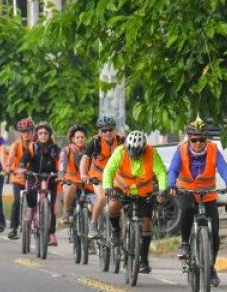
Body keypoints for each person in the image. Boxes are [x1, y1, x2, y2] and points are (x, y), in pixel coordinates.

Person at [167, 118, 227, 287]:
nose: (198, 143)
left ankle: (210, 268)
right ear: (188, 138)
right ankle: (185, 243)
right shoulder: (181, 150)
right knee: (186, 210)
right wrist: (171, 184)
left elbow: (223, 167)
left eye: (201, 139)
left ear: (206, 138)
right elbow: (173, 169)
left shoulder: (213, 149)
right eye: (194, 139)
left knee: (215, 235)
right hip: (186, 192)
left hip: (208, 195)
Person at [104, 130, 168, 273]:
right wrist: (108, 187)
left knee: (146, 223)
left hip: (143, 193)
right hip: (122, 190)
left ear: (143, 149)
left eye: (137, 153)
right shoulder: (120, 152)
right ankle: (115, 231)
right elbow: (109, 170)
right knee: (112, 206)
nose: (134, 156)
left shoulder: (151, 153)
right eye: (131, 152)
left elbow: (161, 172)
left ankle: (143, 259)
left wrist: (163, 190)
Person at [79, 115, 124, 237]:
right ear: (99, 131)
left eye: (110, 129)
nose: (107, 133)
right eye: (104, 130)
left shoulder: (121, 141)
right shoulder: (95, 142)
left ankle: (121, 231)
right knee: (102, 197)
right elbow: (84, 158)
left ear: (114, 130)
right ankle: (93, 224)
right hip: (97, 175)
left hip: (116, 176)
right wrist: (83, 173)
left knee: (123, 199)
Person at [18, 122, 60, 246]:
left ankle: (51, 234)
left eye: (45, 133)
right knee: (29, 192)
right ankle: (31, 210)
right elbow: (24, 159)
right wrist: (22, 168)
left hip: (50, 179)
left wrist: (62, 173)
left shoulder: (55, 149)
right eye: (40, 133)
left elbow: (62, 162)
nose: (43, 135)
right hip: (34, 177)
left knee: (51, 207)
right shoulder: (33, 146)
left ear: (49, 135)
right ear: (37, 135)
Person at [5, 117, 35, 240]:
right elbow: (11, 158)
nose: (26, 134)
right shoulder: (15, 145)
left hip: (33, 178)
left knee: (35, 200)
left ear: (32, 132)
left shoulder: (36, 145)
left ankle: (36, 223)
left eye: (28, 131)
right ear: (20, 133)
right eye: (23, 132)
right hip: (18, 177)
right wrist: (8, 167)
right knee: (17, 201)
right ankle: (13, 228)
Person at [59, 124, 93, 225]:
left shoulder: (90, 150)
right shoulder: (66, 150)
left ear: (86, 138)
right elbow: (62, 165)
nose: (80, 139)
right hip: (71, 180)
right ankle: (66, 212)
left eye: (82, 137)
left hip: (87, 181)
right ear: (73, 139)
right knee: (70, 187)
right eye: (77, 137)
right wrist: (61, 176)